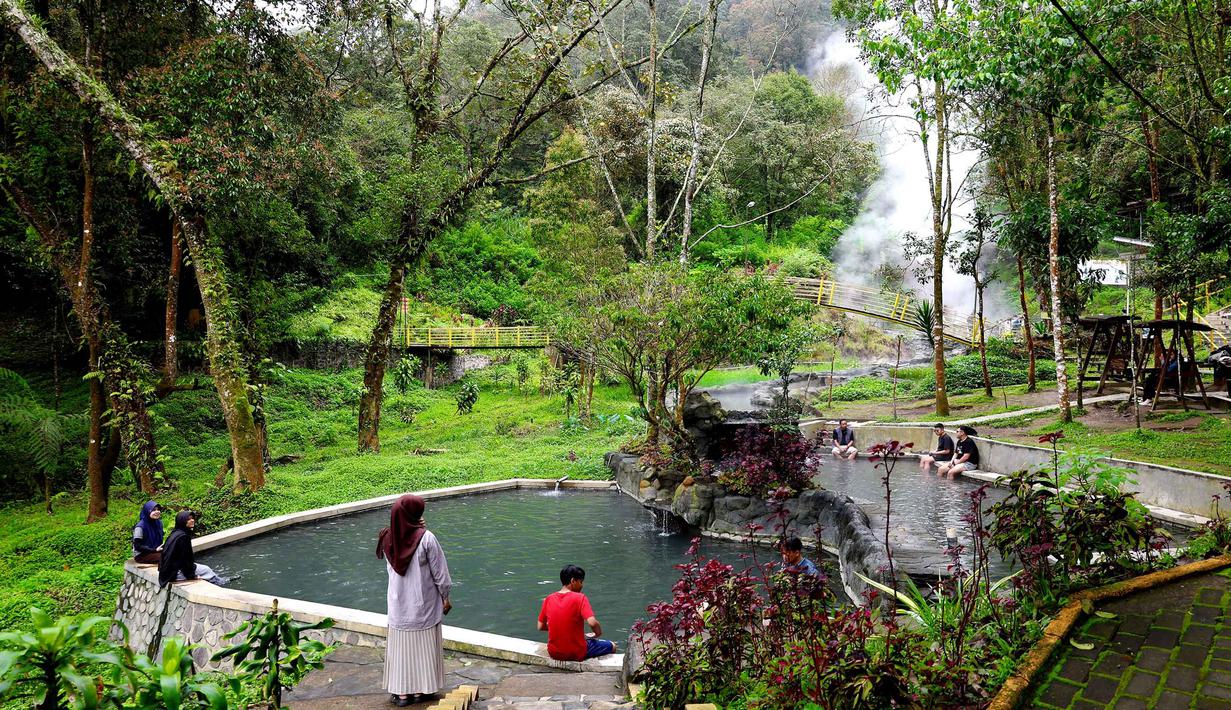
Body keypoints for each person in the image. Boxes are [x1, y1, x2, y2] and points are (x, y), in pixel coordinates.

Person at [378, 495, 452, 707]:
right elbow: (441, 575)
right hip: (424, 606)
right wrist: (446, 598)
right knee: (423, 649)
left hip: (398, 606)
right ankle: (421, 691)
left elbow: (400, 541)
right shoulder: (427, 538)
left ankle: (402, 694)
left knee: (401, 651)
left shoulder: (386, 538)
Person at [537, 565, 616, 662]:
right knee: (612, 645)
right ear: (573, 581)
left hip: (554, 652)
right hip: (576, 653)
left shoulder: (549, 599)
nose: (582, 585)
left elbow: (540, 626)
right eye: (581, 582)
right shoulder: (580, 598)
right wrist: (597, 633)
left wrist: (561, 627)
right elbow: (592, 622)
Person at [158, 510, 226, 587]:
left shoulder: (175, 533)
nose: (192, 520)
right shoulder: (183, 537)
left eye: (192, 518)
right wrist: (192, 576)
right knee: (206, 570)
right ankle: (221, 583)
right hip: (174, 573)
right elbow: (185, 561)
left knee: (204, 569)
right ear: (182, 521)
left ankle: (219, 580)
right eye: (188, 519)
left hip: (166, 573)